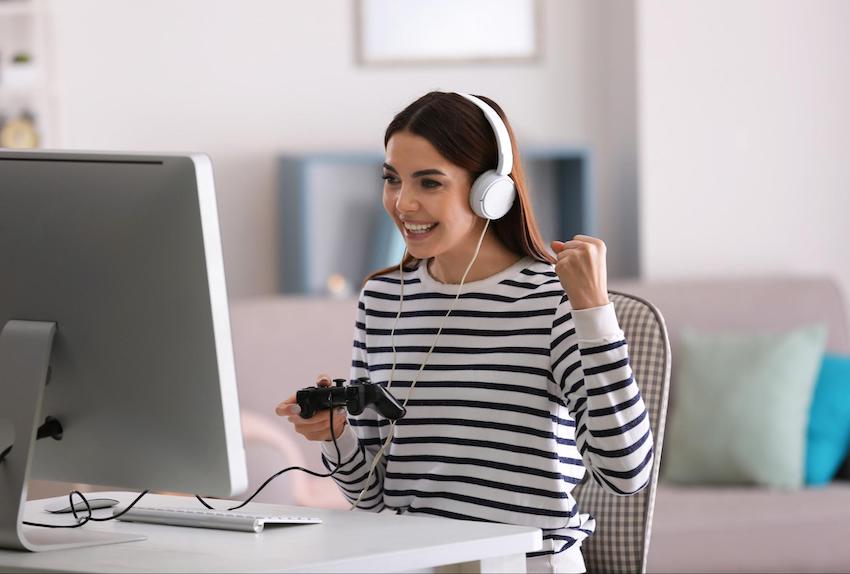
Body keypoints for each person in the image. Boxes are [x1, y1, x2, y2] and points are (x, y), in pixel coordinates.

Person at [276, 91, 653, 574]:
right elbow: (371, 499)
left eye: (429, 183)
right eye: (392, 179)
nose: (402, 202)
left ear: (490, 192)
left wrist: (594, 313)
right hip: (412, 563)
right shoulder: (384, 300)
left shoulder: (555, 299)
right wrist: (337, 437)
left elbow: (626, 473)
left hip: (524, 566)